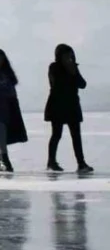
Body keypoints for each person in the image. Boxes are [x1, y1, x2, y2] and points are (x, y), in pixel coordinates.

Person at [44, 43, 93, 173]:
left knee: (76, 135)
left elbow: (83, 84)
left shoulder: (74, 68)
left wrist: (73, 71)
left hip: (72, 105)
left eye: (70, 55)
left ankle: (81, 163)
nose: (69, 58)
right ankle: (51, 161)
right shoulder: (54, 67)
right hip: (57, 105)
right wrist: (69, 71)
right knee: (56, 134)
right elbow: (57, 84)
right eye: (66, 55)